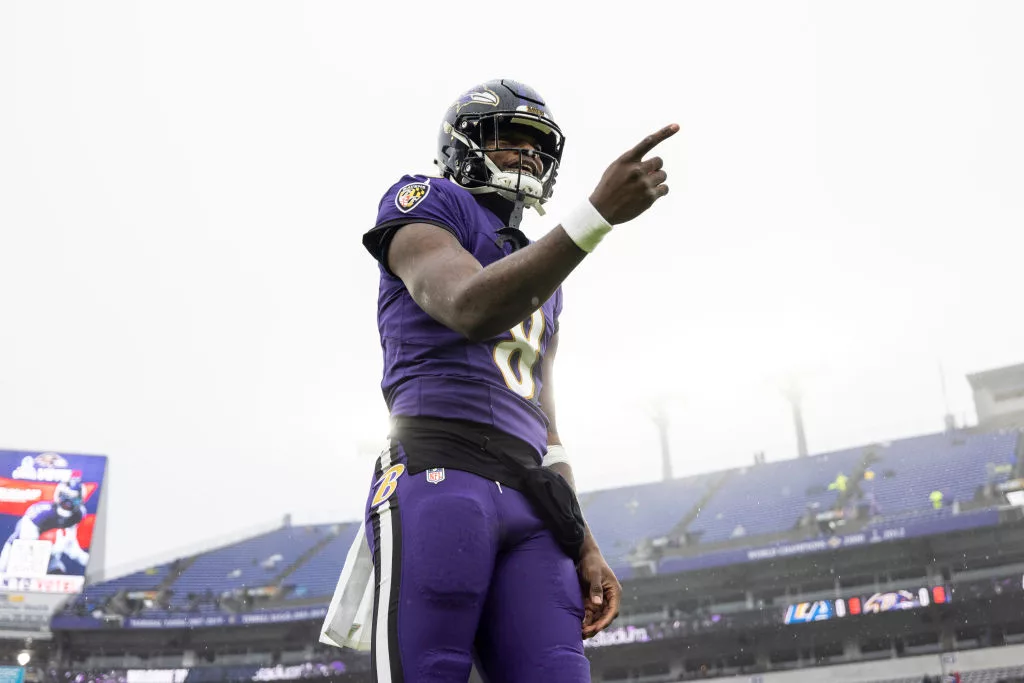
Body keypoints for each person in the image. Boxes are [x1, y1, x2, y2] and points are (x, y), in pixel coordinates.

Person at [321, 79, 676, 683]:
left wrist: (583, 540)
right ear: (462, 145)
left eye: (538, 148)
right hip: (442, 470)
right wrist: (593, 219)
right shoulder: (426, 201)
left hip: (533, 499)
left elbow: (548, 425)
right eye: (508, 140)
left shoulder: (544, 268)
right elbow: (467, 305)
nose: (527, 156)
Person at [0, 476, 90, 575]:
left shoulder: (78, 515)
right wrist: (55, 548)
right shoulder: (41, 512)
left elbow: (71, 546)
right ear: (58, 495)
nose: (68, 504)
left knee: (58, 574)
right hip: (20, 551)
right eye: (65, 497)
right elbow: (27, 545)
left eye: (74, 500)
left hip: (50, 554)